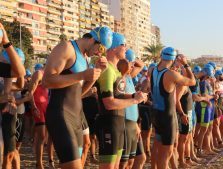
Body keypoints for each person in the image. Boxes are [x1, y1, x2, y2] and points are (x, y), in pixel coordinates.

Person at [42, 26, 112, 169]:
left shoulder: (85, 58)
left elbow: (78, 93)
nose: (99, 53)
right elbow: (47, 81)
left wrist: (96, 73)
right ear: (92, 39)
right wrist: (81, 75)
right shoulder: (66, 48)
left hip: (76, 117)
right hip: (60, 115)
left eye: (103, 51)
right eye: (100, 48)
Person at [95, 32, 147, 169]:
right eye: (123, 45)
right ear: (114, 48)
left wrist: (134, 95)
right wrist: (134, 101)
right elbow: (109, 102)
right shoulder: (107, 70)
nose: (126, 48)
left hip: (118, 124)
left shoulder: (116, 71)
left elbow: (118, 95)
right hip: (109, 123)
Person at [149, 47, 195, 169]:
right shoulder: (171, 74)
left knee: (158, 148)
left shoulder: (152, 70)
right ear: (173, 59)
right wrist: (185, 64)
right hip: (167, 118)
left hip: (156, 115)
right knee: (166, 154)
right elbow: (192, 81)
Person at [119, 49, 145, 169]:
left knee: (139, 158)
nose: (132, 67)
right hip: (126, 123)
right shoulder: (121, 79)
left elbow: (141, 65)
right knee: (124, 163)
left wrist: (132, 61)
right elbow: (120, 102)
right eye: (130, 65)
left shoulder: (129, 76)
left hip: (133, 123)